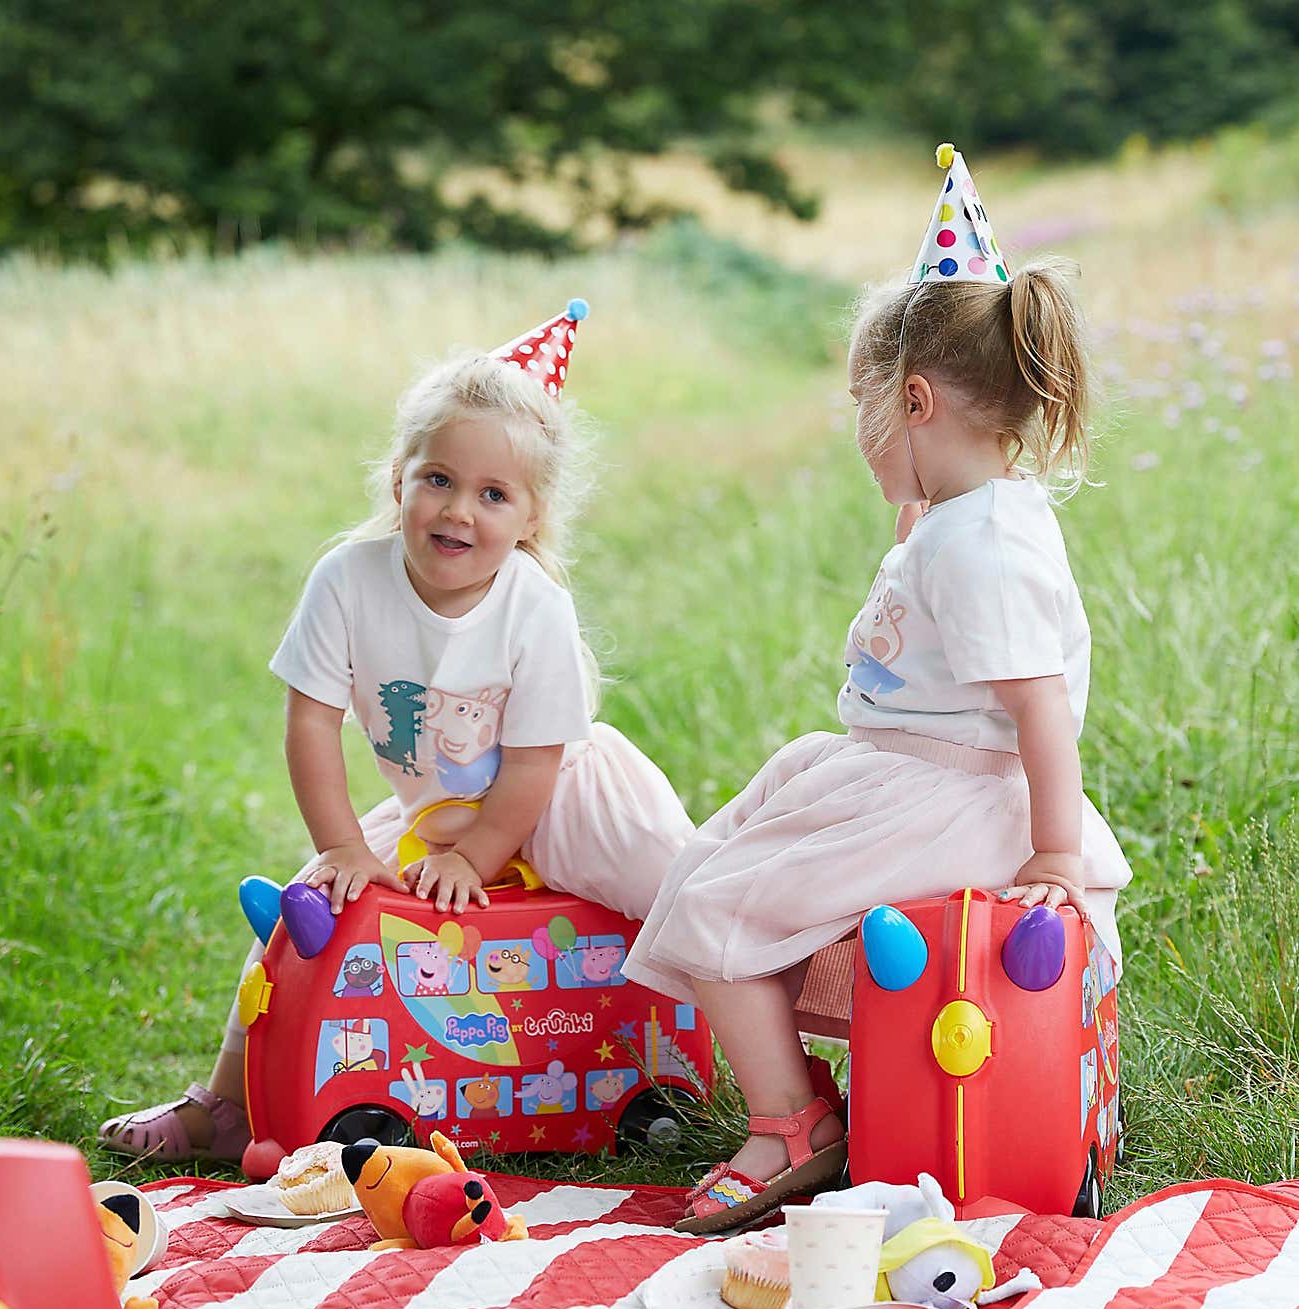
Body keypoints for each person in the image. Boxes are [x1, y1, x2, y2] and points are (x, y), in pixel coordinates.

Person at [624, 148, 1131, 1234]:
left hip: (948, 796)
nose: (860, 441)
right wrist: (920, 529)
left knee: (718, 904)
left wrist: (1054, 854)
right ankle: (830, 1104)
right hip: (903, 772)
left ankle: (789, 1122)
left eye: (864, 413)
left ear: (912, 399)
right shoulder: (972, 518)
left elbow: (1037, 707)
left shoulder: (977, 544)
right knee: (716, 868)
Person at [99, 303, 694, 1162]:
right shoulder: (347, 581)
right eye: (438, 480)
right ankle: (224, 1107)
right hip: (440, 805)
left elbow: (532, 765)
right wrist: (341, 846)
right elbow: (311, 717)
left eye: (493, 494)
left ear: (530, 516)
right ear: (398, 481)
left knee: (687, 904)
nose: (459, 510)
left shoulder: (534, 607)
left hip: (567, 793)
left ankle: (778, 1094)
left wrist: (475, 858)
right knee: (307, 916)